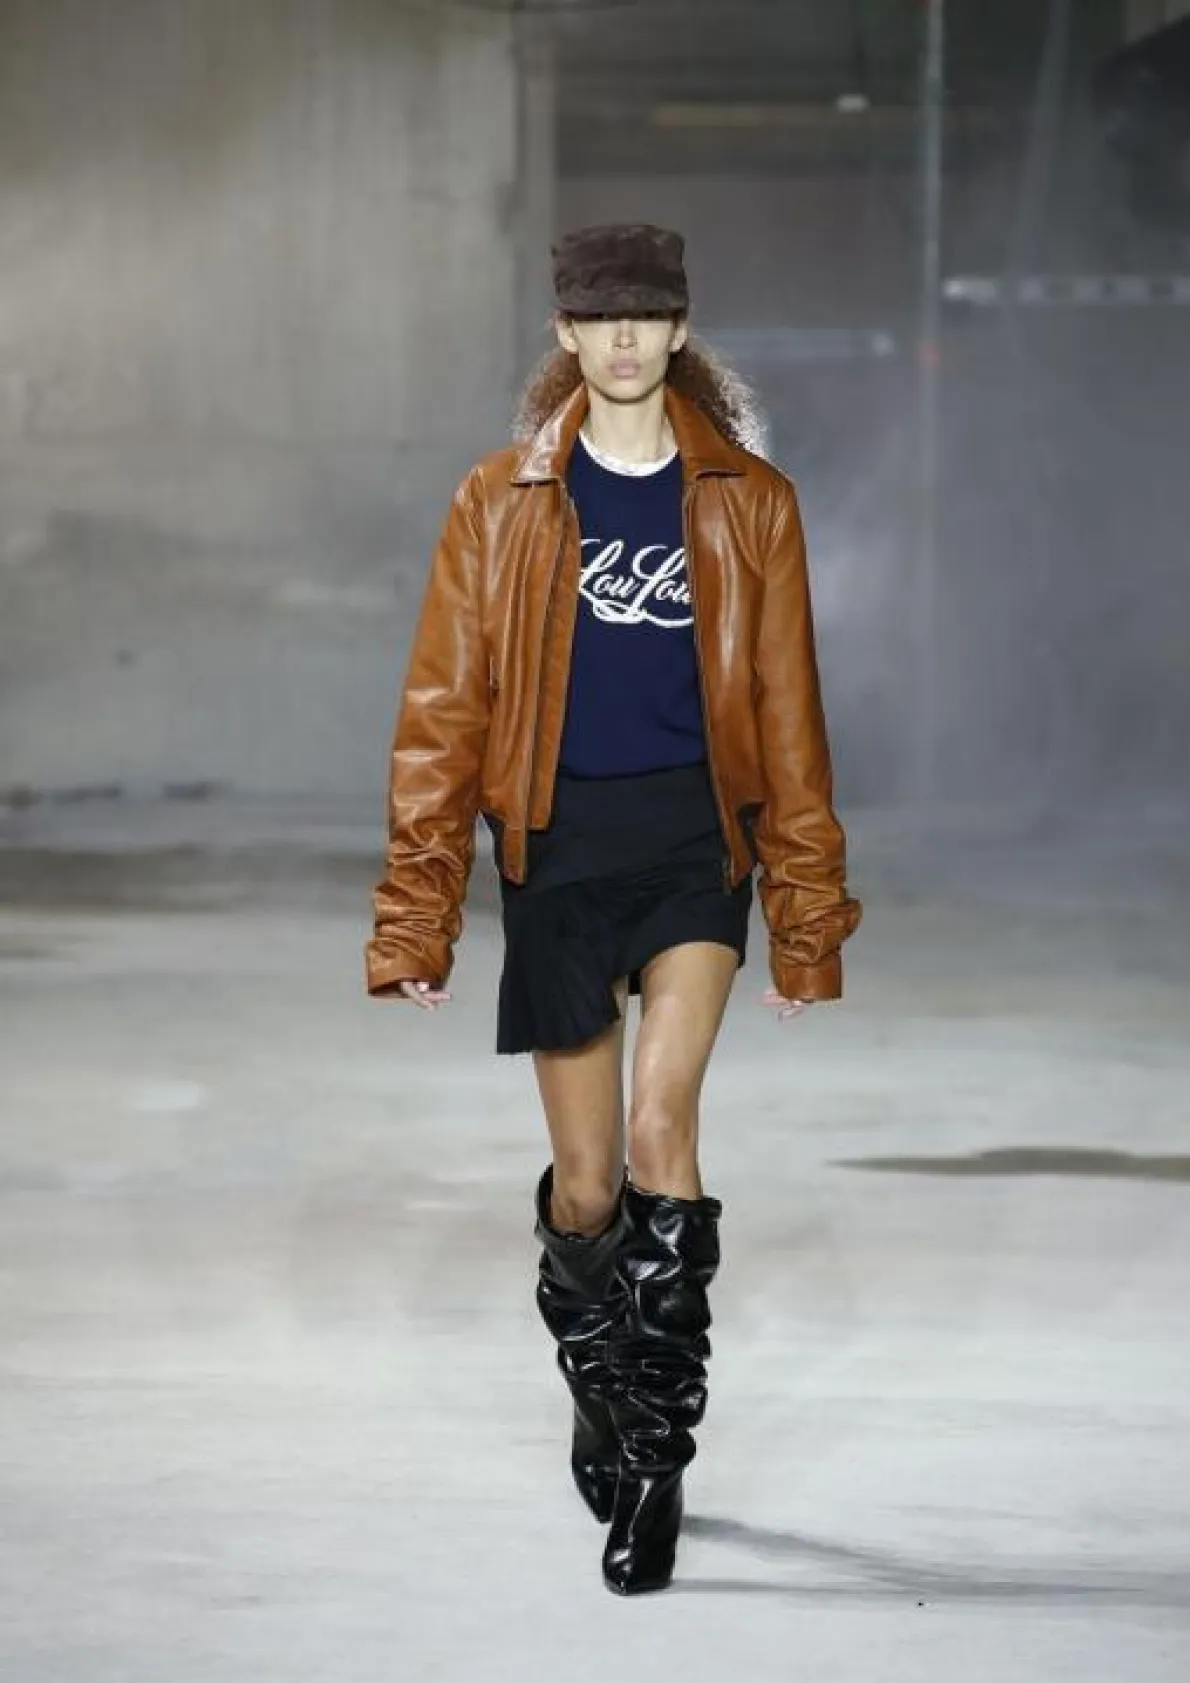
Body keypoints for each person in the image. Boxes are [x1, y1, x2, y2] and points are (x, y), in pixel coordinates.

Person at [365, 223, 862, 1596]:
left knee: (659, 1131)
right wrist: (419, 911)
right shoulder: (500, 501)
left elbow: (791, 719)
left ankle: (655, 1458)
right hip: (559, 855)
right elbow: (441, 716)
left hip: (695, 850)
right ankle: (600, 1381)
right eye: (601, 317)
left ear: (681, 329)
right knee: (586, 1188)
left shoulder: (752, 503)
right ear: (566, 335)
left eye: (648, 315)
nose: (626, 338)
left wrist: (805, 916)